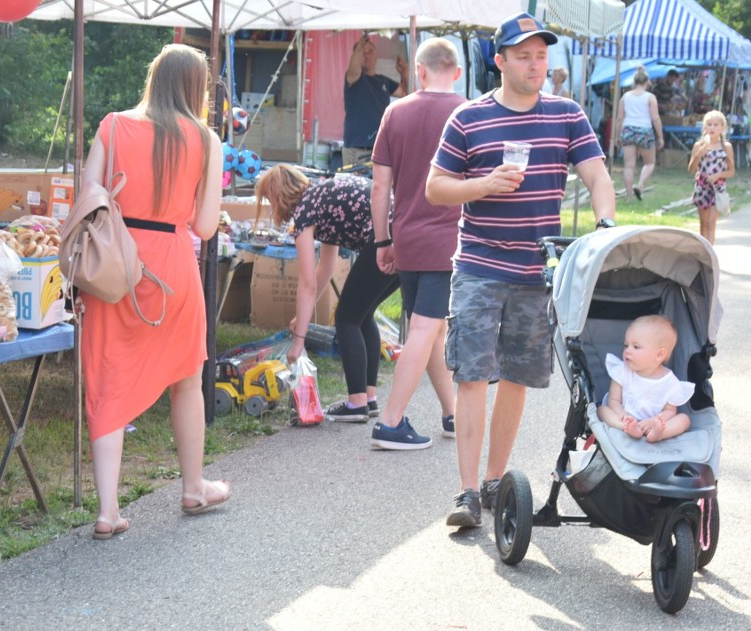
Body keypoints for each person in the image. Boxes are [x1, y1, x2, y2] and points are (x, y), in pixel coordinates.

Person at [425, 12, 616, 528]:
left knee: (516, 378)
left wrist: (605, 223)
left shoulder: (566, 114)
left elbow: (598, 176)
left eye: (541, 54)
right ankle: (466, 493)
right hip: (479, 267)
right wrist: (482, 185)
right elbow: (435, 187)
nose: (536, 63)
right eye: (525, 55)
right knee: (471, 376)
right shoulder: (468, 118)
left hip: (538, 272)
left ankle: (494, 480)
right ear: (500, 60)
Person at [76, 44, 228, 539]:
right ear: (197, 88)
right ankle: (192, 487)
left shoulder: (113, 125)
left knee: (107, 375)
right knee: (187, 375)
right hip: (172, 266)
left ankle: (107, 511)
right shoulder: (205, 139)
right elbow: (205, 227)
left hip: (113, 265)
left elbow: (88, 195)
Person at [254, 167, 414, 437]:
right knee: (362, 313)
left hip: (384, 238)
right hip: (405, 234)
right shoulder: (321, 196)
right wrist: (301, 318)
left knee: (347, 318)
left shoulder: (306, 212)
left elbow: (306, 281)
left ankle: (356, 403)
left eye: (268, 200)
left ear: (278, 195)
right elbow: (324, 271)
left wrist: (298, 341)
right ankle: (368, 397)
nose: (270, 207)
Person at [368, 38, 465, 451]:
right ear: (457, 72)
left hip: (406, 236)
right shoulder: (468, 113)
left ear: (420, 71)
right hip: (449, 238)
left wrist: (382, 239)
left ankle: (453, 415)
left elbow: (379, 186)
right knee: (426, 329)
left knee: (431, 332)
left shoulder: (396, 111)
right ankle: (390, 422)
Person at [597, 316, 694, 443]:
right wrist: (624, 417)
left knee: (684, 419)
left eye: (636, 347)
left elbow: (670, 411)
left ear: (659, 354)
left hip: (653, 423)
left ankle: (660, 433)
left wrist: (655, 420)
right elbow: (613, 400)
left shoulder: (670, 382)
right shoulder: (622, 371)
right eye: (626, 346)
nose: (627, 351)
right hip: (624, 419)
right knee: (601, 410)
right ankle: (628, 429)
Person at [342, 34, 409, 167]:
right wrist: (358, 48)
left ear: (376, 54)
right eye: (363, 52)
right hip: (356, 148)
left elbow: (407, 95)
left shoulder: (383, 80)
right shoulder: (354, 78)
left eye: (371, 51)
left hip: (379, 148)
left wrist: (404, 74)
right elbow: (354, 68)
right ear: (357, 56)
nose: (367, 55)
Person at [616, 66, 664, 202]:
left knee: (629, 165)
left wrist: (617, 135)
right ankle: (640, 184)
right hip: (644, 131)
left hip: (628, 130)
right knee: (649, 163)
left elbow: (620, 118)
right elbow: (655, 118)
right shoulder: (650, 97)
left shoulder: (625, 97)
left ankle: (628, 197)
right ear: (647, 82)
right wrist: (660, 136)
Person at [688, 110, 735, 244]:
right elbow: (691, 169)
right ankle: (703, 251)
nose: (712, 128)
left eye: (715, 125)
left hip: (717, 188)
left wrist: (718, 175)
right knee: (703, 224)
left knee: (711, 222)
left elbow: (731, 171)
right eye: (709, 124)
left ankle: (710, 253)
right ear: (704, 127)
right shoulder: (699, 145)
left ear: (722, 128)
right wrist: (698, 155)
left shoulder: (726, 147)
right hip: (702, 187)